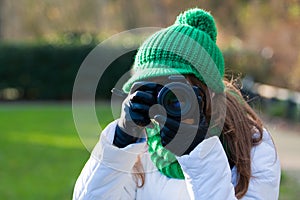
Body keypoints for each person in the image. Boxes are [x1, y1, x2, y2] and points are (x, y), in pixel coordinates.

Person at [73, 8, 280, 199]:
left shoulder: (251, 146)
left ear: (209, 94)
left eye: (176, 93)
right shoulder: (137, 151)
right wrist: (121, 140)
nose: (162, 103)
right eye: (151, 89)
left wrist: (198, 150)